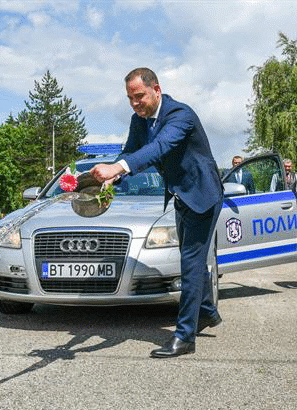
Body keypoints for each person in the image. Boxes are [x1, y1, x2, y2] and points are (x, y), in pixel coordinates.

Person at [90, 68, 223, 358]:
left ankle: (185, 336)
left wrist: (119, 168)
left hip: (203, 194)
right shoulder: (139, 120)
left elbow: (159, 148)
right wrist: (113, 177)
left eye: (139, 96)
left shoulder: (180, 115)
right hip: (180, 195)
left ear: (156, 90)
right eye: (130, 98)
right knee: (195, 260)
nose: (135, 104)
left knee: (189, 262)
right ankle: (208, 312)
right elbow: (130, 151)